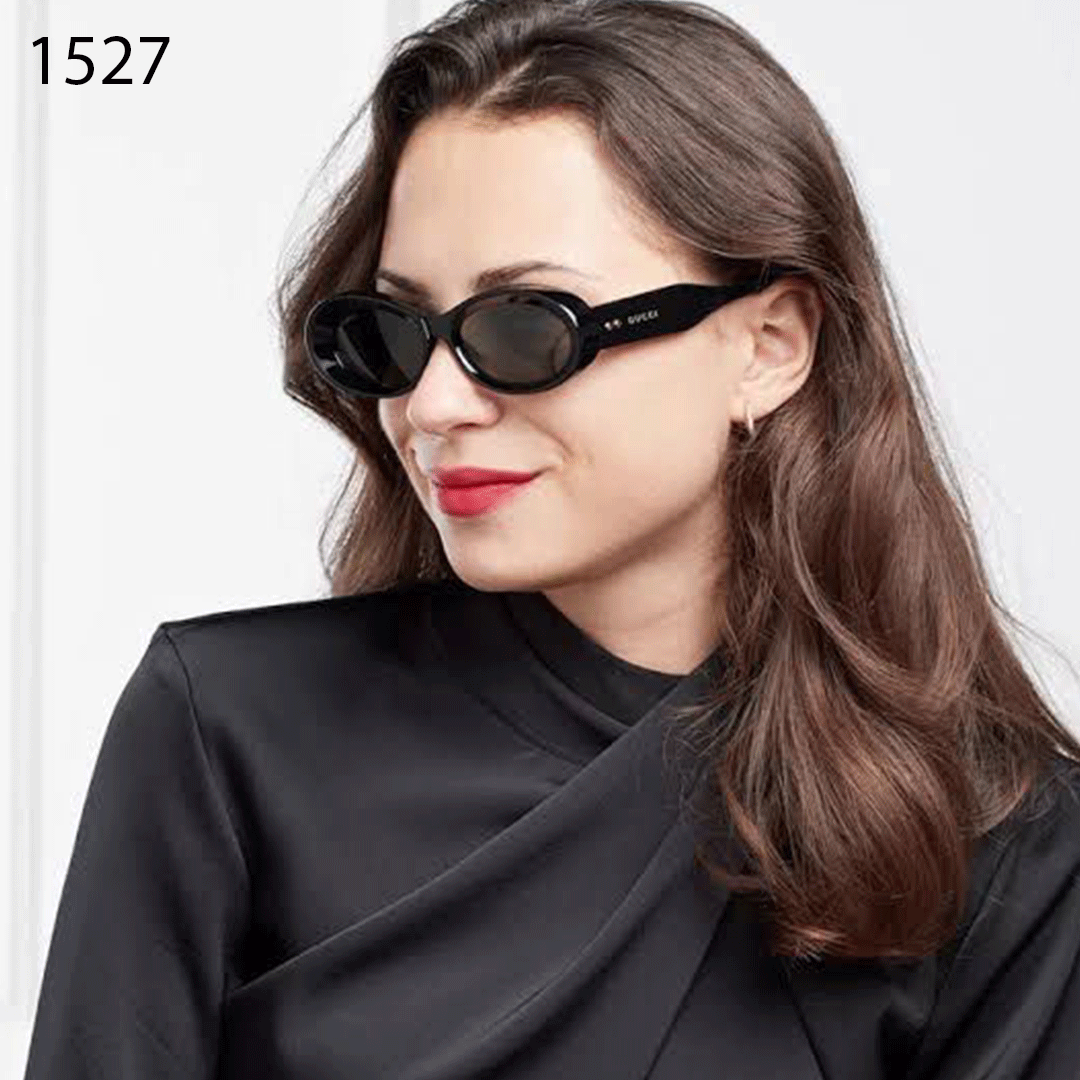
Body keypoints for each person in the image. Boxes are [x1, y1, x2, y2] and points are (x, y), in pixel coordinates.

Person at [22, 1, 1080, 1078]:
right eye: (397, 332)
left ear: (769, 345)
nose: (433, 406)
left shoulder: (1003, 839)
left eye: (529, 327)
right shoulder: (228, 733)